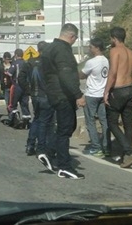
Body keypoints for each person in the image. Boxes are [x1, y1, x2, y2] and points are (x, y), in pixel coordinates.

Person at [39, 23, 86, 180]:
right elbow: (66, 74)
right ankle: (64, 167)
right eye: (75, 38)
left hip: (53, 93)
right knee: (65, 129)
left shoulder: (49, 49)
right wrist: (78, 94)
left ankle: (49, 152)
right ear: (72, 36)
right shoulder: (63, 50)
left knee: (69, 125)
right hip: (63, 95)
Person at [103, 26, 132, 169]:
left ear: (114, 38)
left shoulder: (114, 51)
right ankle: (127, 156)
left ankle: (129, 151)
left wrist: (106, 91)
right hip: (128, 90)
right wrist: (128, 82)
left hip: (117, 90)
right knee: (128, 124)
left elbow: (113, 72)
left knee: (112, 122)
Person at [80, 37, 109, 158]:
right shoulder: (106, 61)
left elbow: (82, 75)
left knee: (90, 121)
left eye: (91, 47)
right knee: (104, 120)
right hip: (102, 94)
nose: (90, 49)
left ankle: (96, 147)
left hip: (92, 94)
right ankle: (107, 146)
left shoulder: (91, 62)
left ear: (96, 48)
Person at [25, 41, 55, 157]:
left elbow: (22, 78)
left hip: (35, 95)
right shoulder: (48, 63)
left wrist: (28, 90)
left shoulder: (30, 62)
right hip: (46, 96)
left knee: (37, 119)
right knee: (47, 123)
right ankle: (44, 147)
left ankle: (30, 144)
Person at [7, 48, 31, 126]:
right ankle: (26, 121)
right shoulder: (26, 63)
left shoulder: (15, 63)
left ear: (16, 55)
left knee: (13, 104)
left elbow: (10, 73)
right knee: (24, 104)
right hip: (26, 87)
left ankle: (14, 120)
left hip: (16, 86)